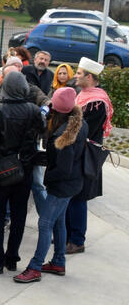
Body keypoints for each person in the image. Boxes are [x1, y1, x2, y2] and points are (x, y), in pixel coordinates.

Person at [0, 72, 45, 274]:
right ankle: (12, 258)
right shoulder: (33, 111)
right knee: (19, 214)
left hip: (1, 170)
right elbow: (40, 135)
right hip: (24, 169)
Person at [14, 87, 86, 283]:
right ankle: (58, 261)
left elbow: (62, 169)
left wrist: (47, 178)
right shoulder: (80, 123)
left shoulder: (62, 137)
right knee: (58, 221)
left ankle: (35, 267)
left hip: (62, 186)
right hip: (73, 183)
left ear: (57, 109)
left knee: (45, 223)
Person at [66, 57, 113, 255]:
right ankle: (67, 236)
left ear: (90, 77)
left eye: (79, 73)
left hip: (84, 156)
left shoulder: (96, 102)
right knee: (70, 196)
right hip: (77, 153)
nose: (75, 76)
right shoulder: (84, 96)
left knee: (78, 197)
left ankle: (77, 240)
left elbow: (83, 130)